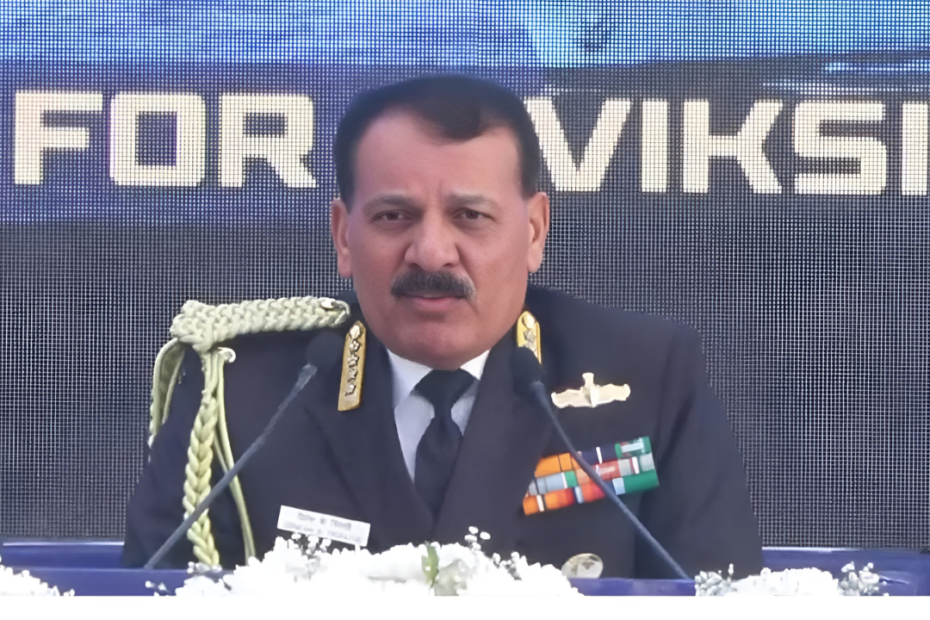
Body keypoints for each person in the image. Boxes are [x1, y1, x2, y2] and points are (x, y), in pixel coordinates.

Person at [122, 75, 763, 578]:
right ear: (344, 236)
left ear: (534, 231)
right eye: (394, 217)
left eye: (470, 217)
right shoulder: (240, 396)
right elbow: (152, 599)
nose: (431, 253)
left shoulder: (646, 380)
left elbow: (720, 598)